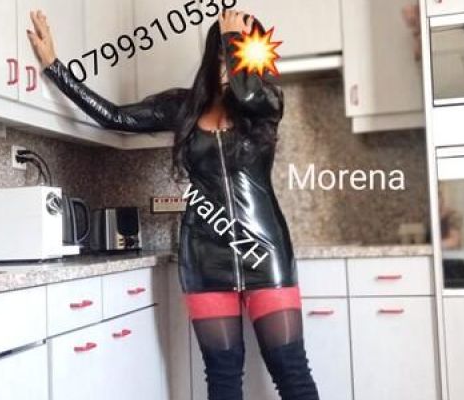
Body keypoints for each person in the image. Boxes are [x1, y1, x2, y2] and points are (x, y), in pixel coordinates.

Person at [27, 9, 320, 400]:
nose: (240, 53)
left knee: (292, 374)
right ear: (216, 49)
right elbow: (115, 117)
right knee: (223, 378)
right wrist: (54, 67)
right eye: (233, 44)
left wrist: (234, 39)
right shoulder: (184, 107)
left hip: (264, 253)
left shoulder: (266, 101)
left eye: (248, 44)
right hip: (204, 256)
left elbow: (247, 92)